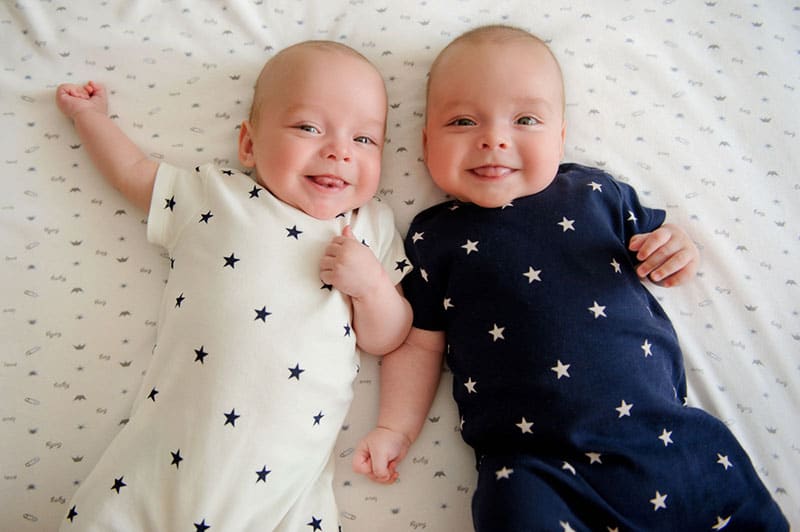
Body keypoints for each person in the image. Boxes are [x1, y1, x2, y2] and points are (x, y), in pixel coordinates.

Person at [353, 25, 788, 531]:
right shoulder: (433, 238)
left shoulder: (595, 193)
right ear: (426, 141)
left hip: (659, 437)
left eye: (526, 119)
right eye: (463, 121)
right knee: (507, 505)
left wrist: (675, 248)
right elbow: (419, 346)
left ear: (560, 136)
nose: (494, 138)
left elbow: (664, 246)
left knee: (728, 494)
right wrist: (393, 428)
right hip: (534, 467)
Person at [55, 40, 413, 531]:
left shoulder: (369, 227)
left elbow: (388, 336)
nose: (339, 151)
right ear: (248, 144)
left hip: (286, 488)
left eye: (365, 140)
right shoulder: (215, 196)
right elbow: (132, 173)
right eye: (309, 128)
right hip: (166, 462)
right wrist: (88, 116)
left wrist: (371, 287)